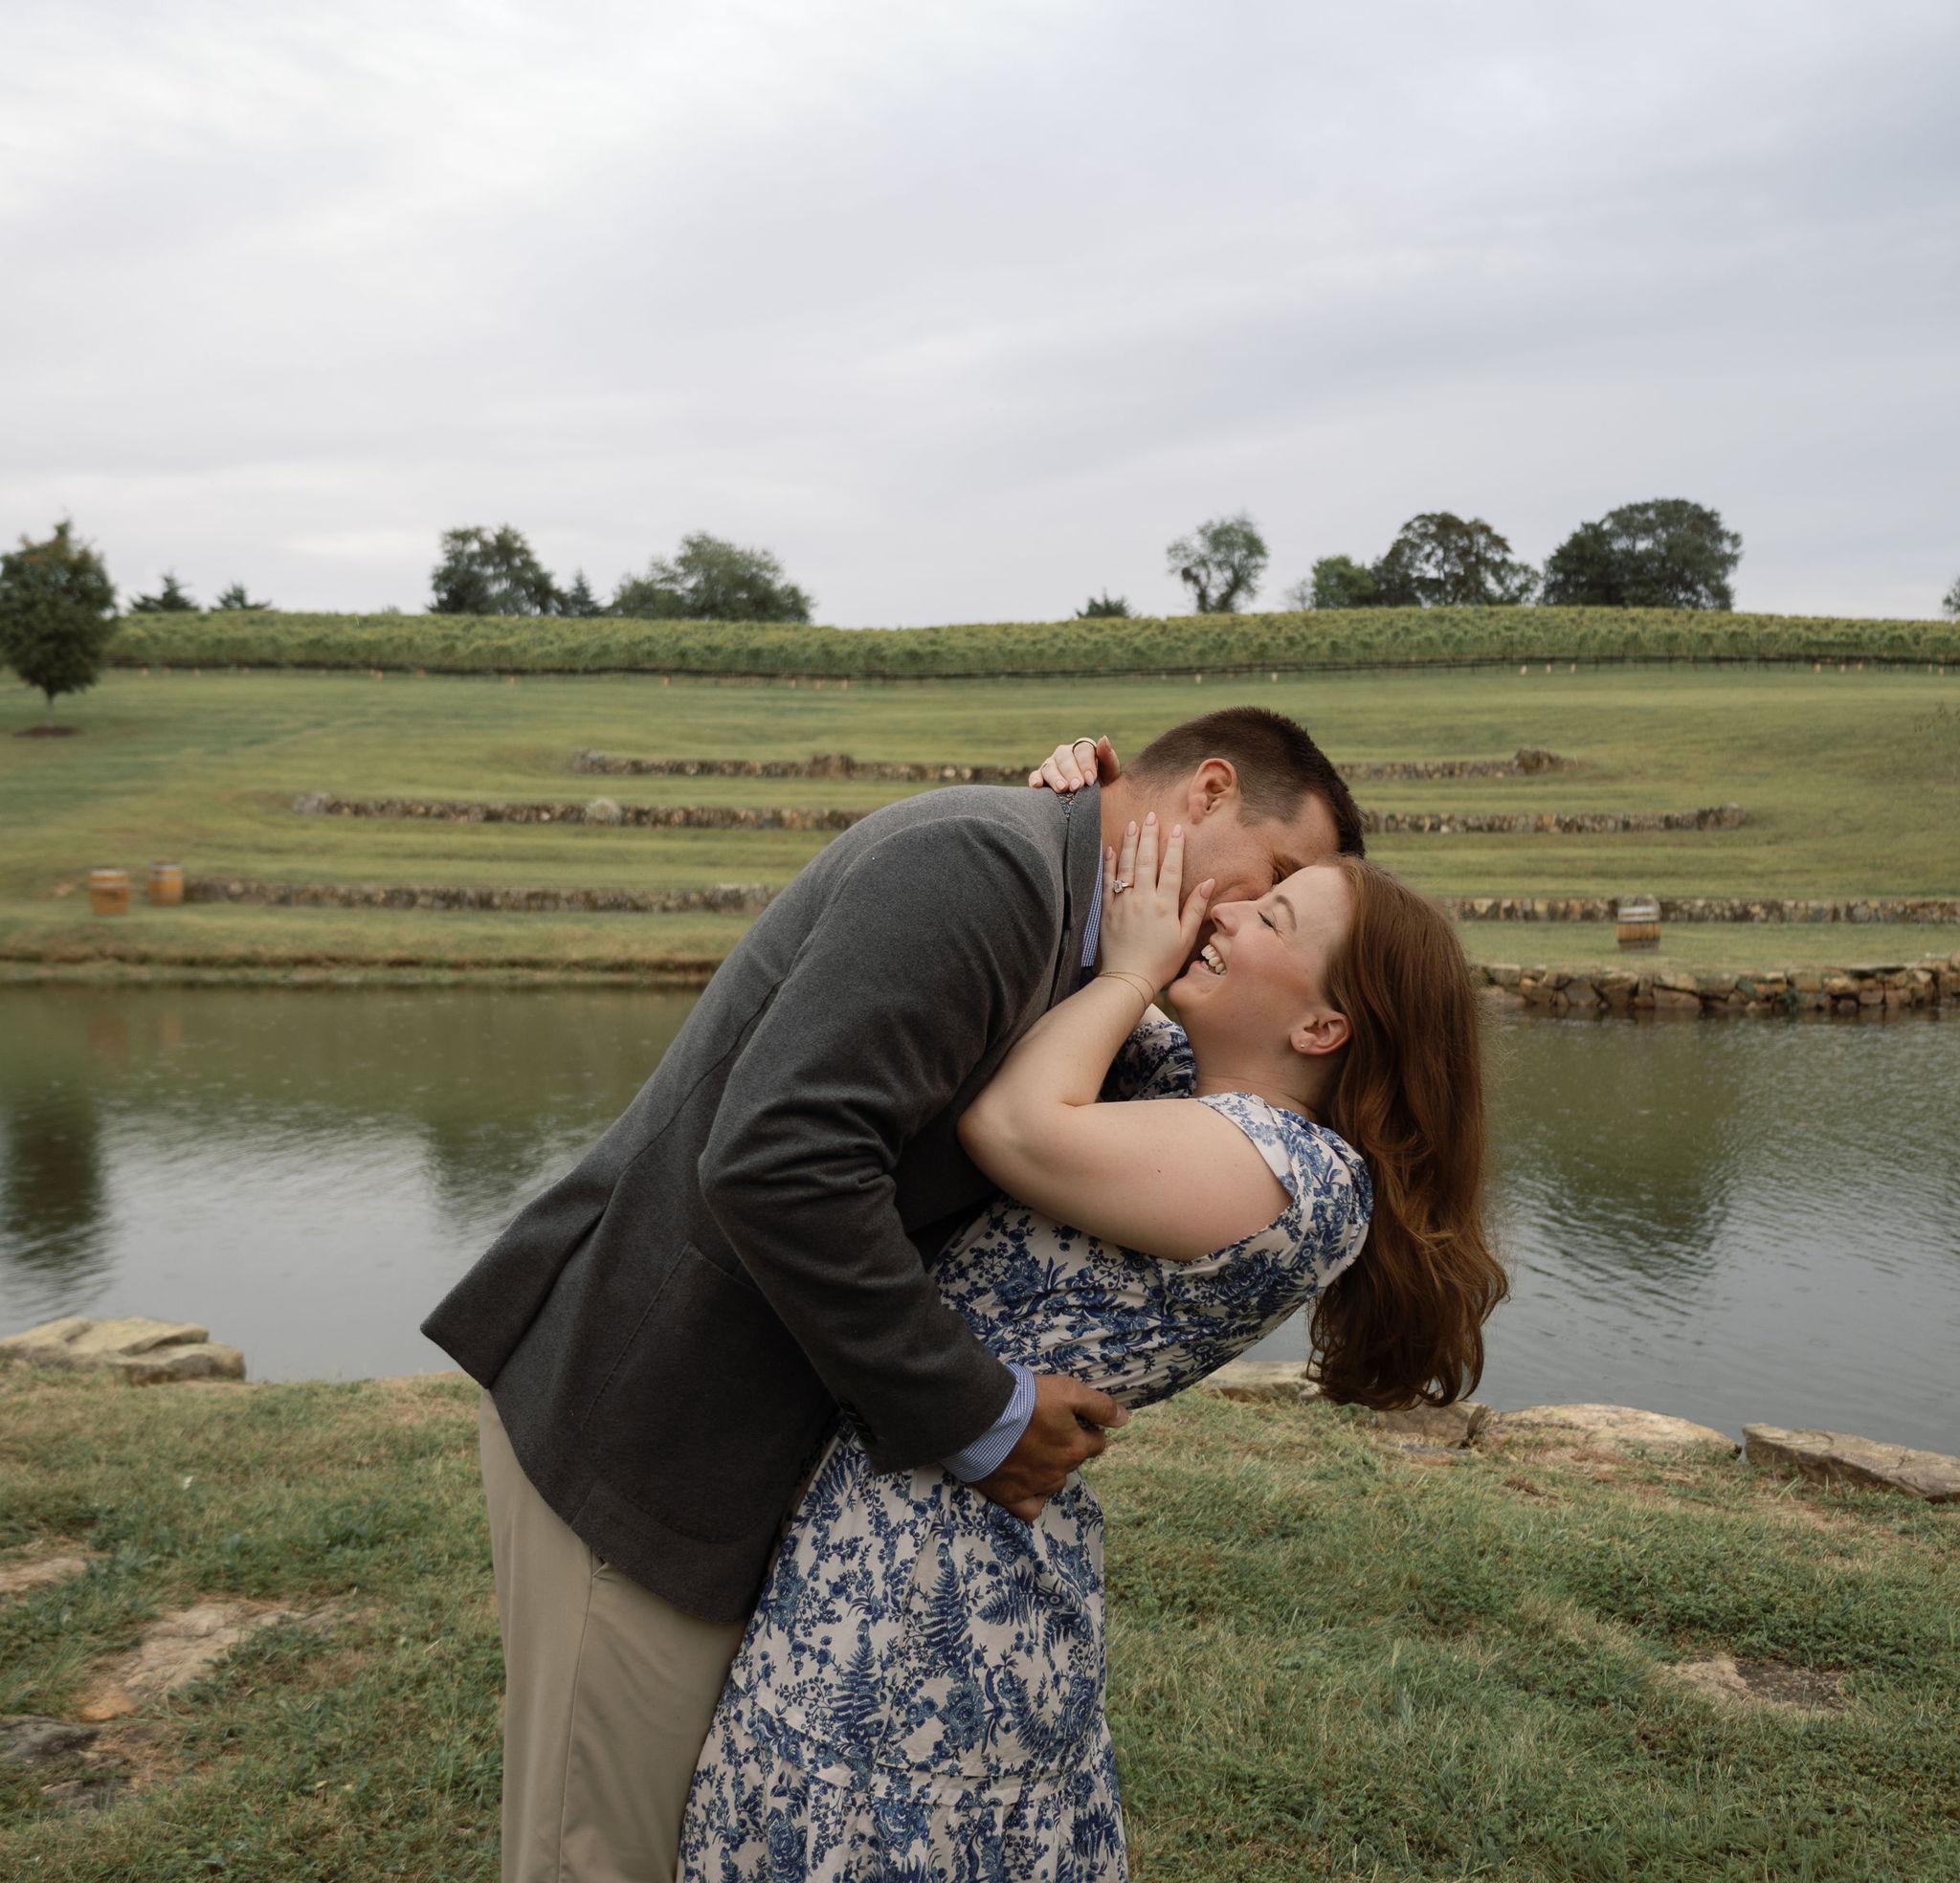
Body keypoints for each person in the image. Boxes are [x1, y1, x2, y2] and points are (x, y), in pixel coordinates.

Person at [424, 706, 1366, 1883]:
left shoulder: (1075, 921)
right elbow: (779, 1159)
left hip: (742, 1451)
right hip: (645, 1433)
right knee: (591, 1855)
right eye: (1269, 874)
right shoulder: (980, 866)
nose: (1232, 912)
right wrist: (980, 1410)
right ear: (1206, 792)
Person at [675, 810, 1506, 1878]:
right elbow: (1052, 996)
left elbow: (1013, 1122)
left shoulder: (1289, 1176)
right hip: (900, 1520)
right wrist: (1075, 802)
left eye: (1272, 914)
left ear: (1320, 1028)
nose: (1225, 905)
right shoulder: (1181, 1087)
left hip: (943, 1584)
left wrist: (1130, 968)